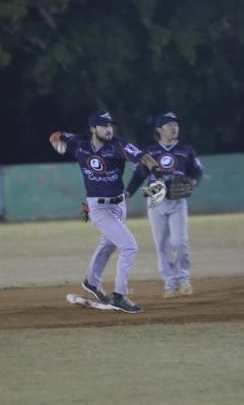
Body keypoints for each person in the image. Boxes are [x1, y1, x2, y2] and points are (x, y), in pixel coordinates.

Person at [49, 109, 162, 313]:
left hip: (118, 205)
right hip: (98, 207)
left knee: (107, 245)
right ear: (93, 128)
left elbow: (145, 159)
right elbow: (58, 135)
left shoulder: (119, 145)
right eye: (104, 125)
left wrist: (156, 176)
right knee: (129, 246)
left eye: (111, 125)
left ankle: (91, 282)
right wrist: (56, 139)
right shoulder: (80, 143)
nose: (109, 129)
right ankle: (119, 296)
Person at [126, 110, 203, 299]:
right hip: (155, 197)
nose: (174, 128)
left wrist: (193, 182)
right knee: (161, 244)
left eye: (176, 125)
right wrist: (128, 192)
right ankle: (170, 284)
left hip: (178, 200)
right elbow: (139, 175)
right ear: (159, 130)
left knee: (179, 242)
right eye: (169, 125)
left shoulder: (186, 149)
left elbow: (197, 172)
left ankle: (184, 279)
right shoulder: (150, 151)